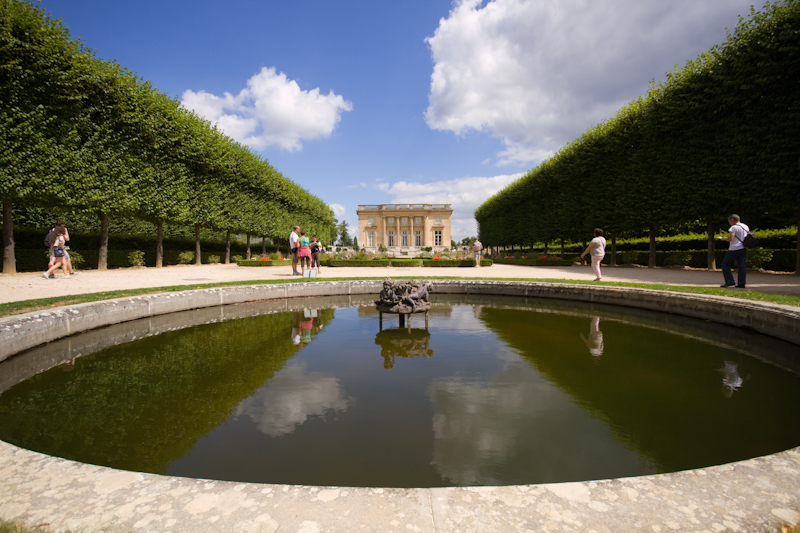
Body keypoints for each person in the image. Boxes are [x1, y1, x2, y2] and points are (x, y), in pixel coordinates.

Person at [718, 214, 749, 288]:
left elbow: (730, 238)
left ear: (732, 220)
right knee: (741, 266)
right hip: (743, 247)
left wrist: (723, 238)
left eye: (729, 221)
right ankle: (741, 283)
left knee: (725, 264)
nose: (729, 223)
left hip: (734, 248)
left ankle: (729, 281)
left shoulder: (733, 228)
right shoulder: (745, 226)